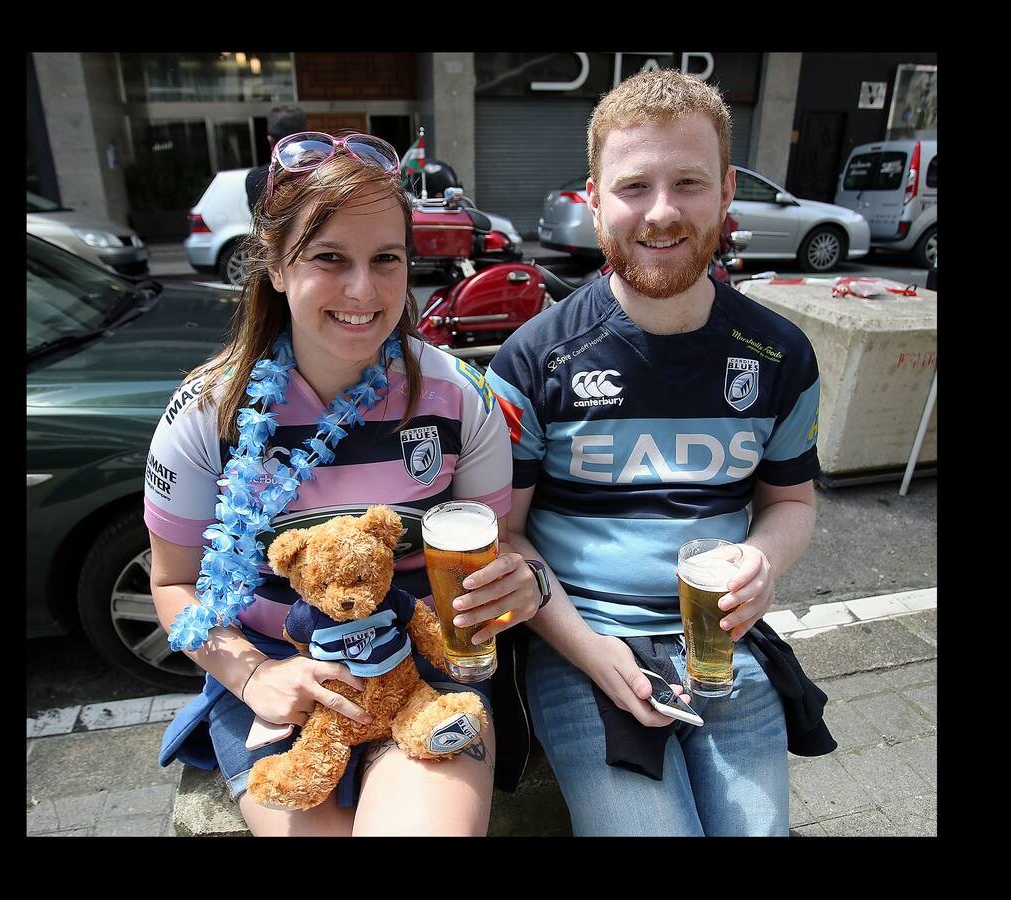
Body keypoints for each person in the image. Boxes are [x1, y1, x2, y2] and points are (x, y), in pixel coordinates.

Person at [146, 131, 544, 836]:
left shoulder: (460, 397)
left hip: (423, 669)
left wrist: (512, 588)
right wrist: (249, 677)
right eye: (329, 258)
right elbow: (172, 584)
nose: (363, 290)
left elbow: (498, 549)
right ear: (272, 263)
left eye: (385, 259)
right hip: (278, 680)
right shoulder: (208, 411)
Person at [484, 69, 833, 836]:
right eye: (635, 185)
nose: (663, 211)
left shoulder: (780, 355)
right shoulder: (531, 361)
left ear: (728, 189)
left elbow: (791, 504)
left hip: (724, 647)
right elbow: (505, 537)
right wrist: (589, 649)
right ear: (595, 196)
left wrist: (764, 563)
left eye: (689, 182)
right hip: (585, 647)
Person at [245, 105, 308, 213]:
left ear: (270, 141)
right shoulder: (324, 170)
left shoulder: (255, 178)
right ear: (307, 136)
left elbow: (259, 222)